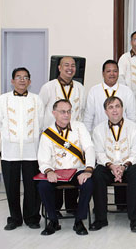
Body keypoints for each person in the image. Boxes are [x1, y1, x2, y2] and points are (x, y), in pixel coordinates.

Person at [0, 67, 43, 230]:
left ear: (29, 81)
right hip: (10, 151)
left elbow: (41, 123)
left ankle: (32, 217)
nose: (22, 80)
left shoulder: (37, 100)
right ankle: (15, 218)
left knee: (32, 186)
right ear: (12, 81)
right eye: (18, 77)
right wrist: (11, 138)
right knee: (11, 186)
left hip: (31, 151)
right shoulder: (3, 99)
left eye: (25, 77)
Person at [37, 99, 95, 236]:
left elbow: (89, 148)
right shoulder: (48, 134)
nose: (66, 115)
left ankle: (79, 221)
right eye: (63, 112)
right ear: (54, 113)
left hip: (77, 170)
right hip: (57, 171)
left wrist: (88, 170)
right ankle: (53, 220)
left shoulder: (79, 127)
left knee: (89, 184)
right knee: (42, 186)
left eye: (69, 111)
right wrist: (49, 171)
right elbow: (43, 159)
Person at [90, 96, 136, 232]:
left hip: (128, 165)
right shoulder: (98, 129)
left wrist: (123, 167)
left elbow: (135, 153)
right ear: (106, 111)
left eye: (117, 106)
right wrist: (112, 166)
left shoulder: (134, 128)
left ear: (122, 109)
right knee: (97, 174)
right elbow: (99, 153)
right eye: (111, 107)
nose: (115, 110)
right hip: (108, 166)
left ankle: (135, 219)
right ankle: (100, 218)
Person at [83, 59, 136, 132]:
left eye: (115, 71)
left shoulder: (127, 91)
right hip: (99, 135)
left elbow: (132, 117)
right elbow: (88, 118)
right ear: (103, 73)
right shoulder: (94, 91)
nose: (112, 74)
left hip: (122, 135)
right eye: (108, 71)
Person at [39, 56, 85, 128]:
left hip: (73, 133)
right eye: (66, 65)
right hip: (53, 133)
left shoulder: (80, 88)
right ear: (59, 68)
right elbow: (39, 112)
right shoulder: (48, 87)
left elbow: (82, 112)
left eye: (73, 66)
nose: (70, 68)